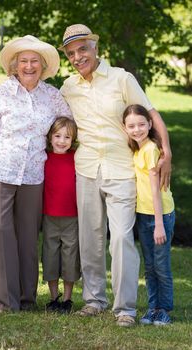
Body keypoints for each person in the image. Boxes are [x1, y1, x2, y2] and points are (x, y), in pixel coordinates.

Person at [59, 24, 172, 326]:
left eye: (82, 49)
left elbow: (151, 112)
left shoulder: (122, 78)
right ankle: (94, 299)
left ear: (95, 47)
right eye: (71, 53)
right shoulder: (68, 87)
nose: (77, 56)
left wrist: (167, 151)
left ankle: (126, 308)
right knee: (90, 237)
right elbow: (53, 118)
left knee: (121, 237)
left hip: (122, 169)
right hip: (85, 169)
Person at [0, 35, 71, 312]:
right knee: (1, 235)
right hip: (1, 173)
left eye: (34, 62)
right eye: (24, 61)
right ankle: (4, 301)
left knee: (28, 237)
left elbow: (69, 127)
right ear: (15, 66)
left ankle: (27, 299)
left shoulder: (52, 96)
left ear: (43, 66)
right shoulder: (1, 93)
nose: (29, 66)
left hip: (34, 176)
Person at [123, 104, 175, 326]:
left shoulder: (151, 149)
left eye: (141, 124)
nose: (137, 129)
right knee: (150, 265)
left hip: (159, 214)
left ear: (150, 124)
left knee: (161, 265)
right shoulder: (137, 149)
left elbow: (155, 190)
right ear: (125, 128)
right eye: (131, 126)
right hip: (144, 215)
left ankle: (164, 309)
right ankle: (152, 308)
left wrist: (159, 224)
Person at [42, 117, 80, 314]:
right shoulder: (43, 158)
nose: (62, 140)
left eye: (67, 137)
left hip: (72, 217)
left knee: (70, 256)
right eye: (57, 136)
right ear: (50, 137)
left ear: (73, 139)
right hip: (49, 216)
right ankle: (53, 297)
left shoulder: (76, 158)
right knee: (50, 255)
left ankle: (67, 299)